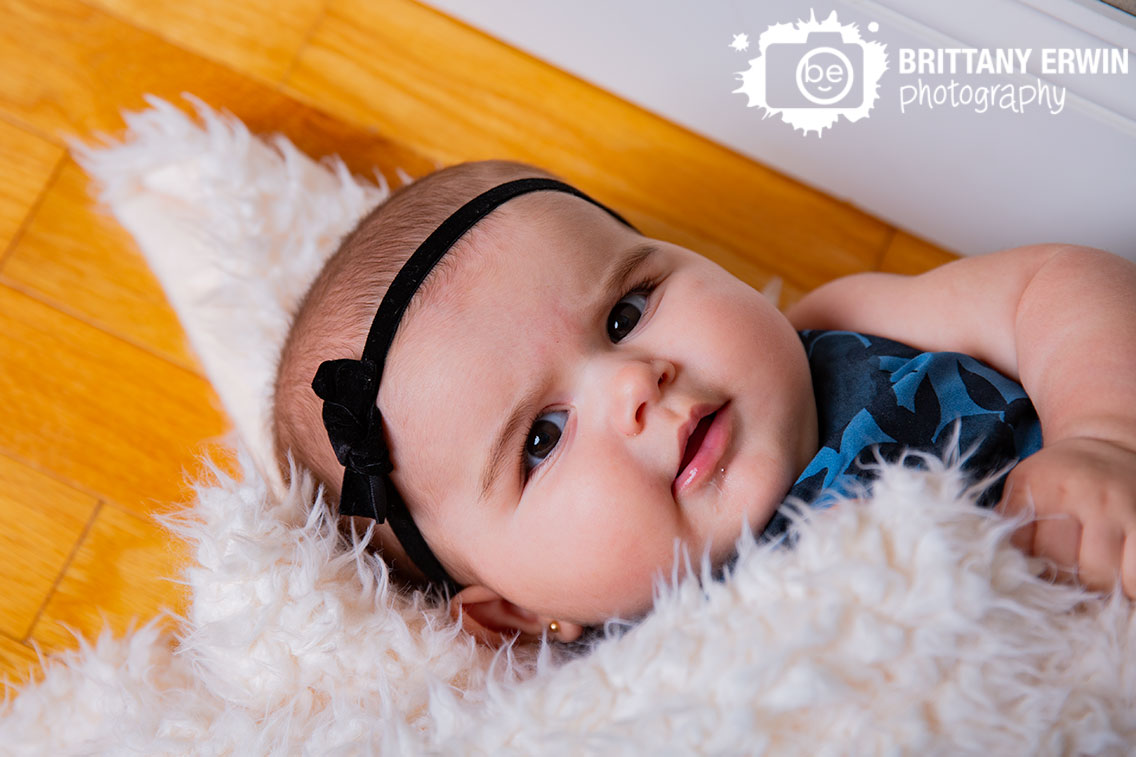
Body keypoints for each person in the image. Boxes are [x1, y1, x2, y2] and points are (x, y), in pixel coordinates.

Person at [271, 159, 1136, 646]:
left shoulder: (841, 325)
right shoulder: (647, 684)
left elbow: (1052, 287)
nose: (632, 381)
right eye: (541, 437)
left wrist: (1103, 434)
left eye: (626, 311)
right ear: (519, 616)